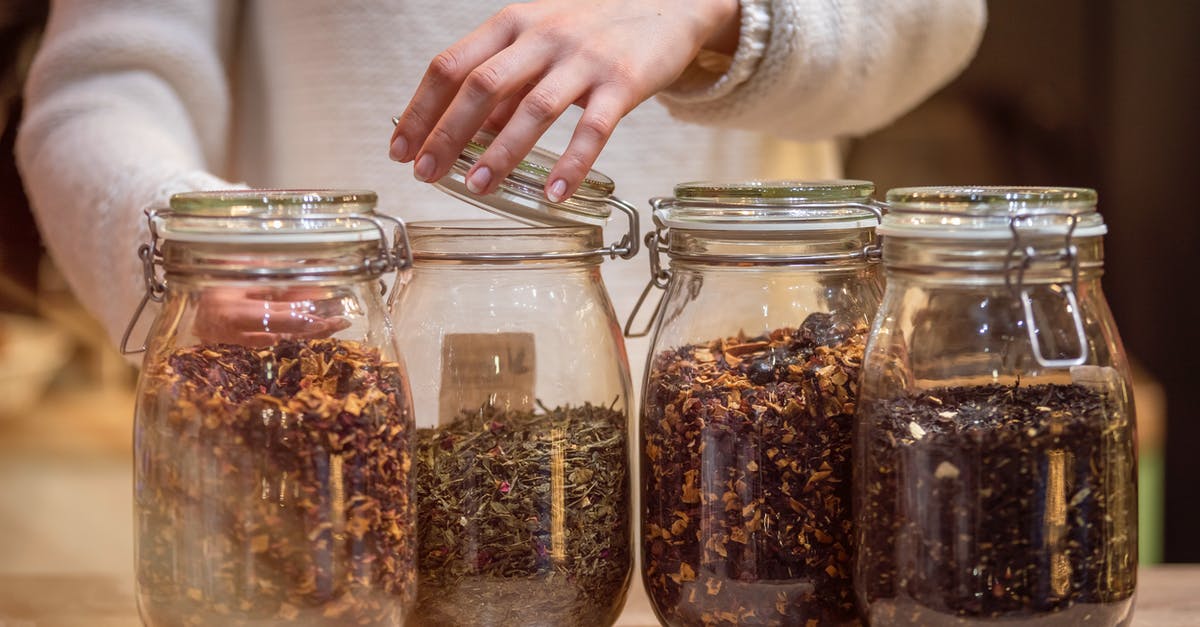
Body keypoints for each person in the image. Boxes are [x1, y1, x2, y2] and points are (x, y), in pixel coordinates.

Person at [15, 0, 985, 365]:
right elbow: (101, 86)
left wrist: (718, 14)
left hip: (744, 398)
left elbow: (940, 18)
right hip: (323, 393)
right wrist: (215, 254)